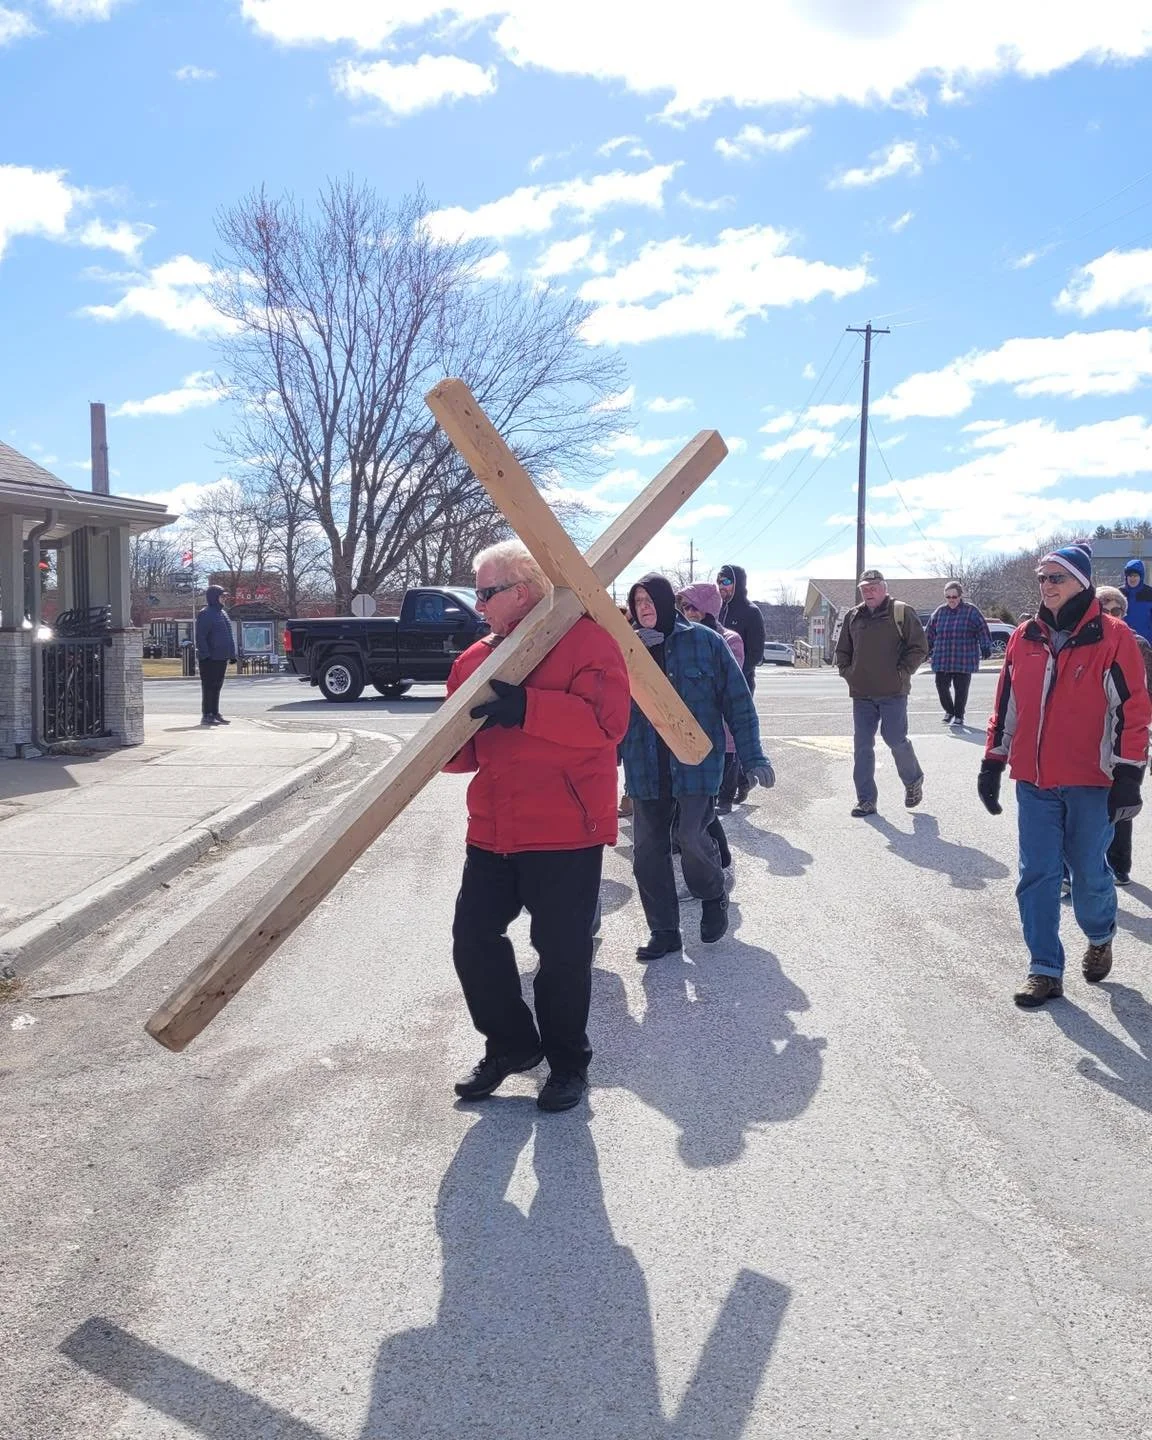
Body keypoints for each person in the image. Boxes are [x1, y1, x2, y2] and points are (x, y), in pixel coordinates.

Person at [443, 541, 630, 1112]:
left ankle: (568, 1064)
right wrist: (452, 730)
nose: (477, 605)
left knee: (563, 954)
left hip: (565, 831)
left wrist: (528, 708)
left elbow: (607, 724)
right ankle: (511, 1046)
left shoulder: (586, 640)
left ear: (521, 591)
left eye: (485, 592)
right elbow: (458, 758)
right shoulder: (477, 659)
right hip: (493, 830)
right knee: (474, 942)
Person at [978, 542, 1150, 1008]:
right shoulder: (1024, 636)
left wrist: (1130, 774)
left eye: (1056, 577)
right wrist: (994, 759)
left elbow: (1132, 710)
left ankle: (1099, 934)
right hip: (1034, 781)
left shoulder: (1115, 637)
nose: (1046, 586)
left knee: (1089, 871)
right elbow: (1007, 704)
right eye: (1042, 578)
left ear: (1081, 582)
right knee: (1037, 872)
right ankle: (1044, 968)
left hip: (1093, 781)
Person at [621, 573, 773, 959]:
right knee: (648, 853)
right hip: (646, 765)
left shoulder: (706, 643)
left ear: (666, 602)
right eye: (637, 603)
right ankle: (664, 931)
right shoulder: (626, 652)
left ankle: (712, 894)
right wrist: (628, 661)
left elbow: (737, 701)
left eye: (650, 602)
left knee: (691, 835)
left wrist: (753, 756)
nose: (644, 609)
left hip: (695, 764)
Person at [834, 569, 929, 817]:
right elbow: (843, 650)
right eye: (865, 588)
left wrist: (902, 672)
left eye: (873, 587)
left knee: (895, 739)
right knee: (862, 746)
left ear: (884, 588)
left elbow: (919, 647)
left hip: (893, 692)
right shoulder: (853, 616)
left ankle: (913, 780)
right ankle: (866, 800)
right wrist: (848, 672)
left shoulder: (901, 612)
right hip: (862, 693)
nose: (869, 592)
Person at [677, 582, 743, 848]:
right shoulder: (679, 636)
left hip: (718, 734)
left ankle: (714, 856)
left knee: (703, 804)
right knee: (695, 804)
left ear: (707, 608)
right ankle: (716, 851)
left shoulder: (728, 639)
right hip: (686, 732)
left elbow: (725, 680)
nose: (687, 612)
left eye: (693, 606)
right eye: (683, 607)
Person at [1097, 585, 1152, 885]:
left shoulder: (1139, 644)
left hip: (1129, 736)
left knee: (1122, 803)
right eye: (1102, 610)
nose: (1109, 616)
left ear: (1124, 613)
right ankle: (1085, 867)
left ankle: (1119, 865)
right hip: (1093, 737)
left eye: (1114, 610)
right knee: (1089, 804)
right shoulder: (1085, 643)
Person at [716, 564, 766, 807]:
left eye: (726, 582)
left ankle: (726, 795)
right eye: (719, 582)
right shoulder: (715, 610)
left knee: (733, 736)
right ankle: (743, 780)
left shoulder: (750, 612)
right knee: (719, 736)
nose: (721, 587)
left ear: (738, 583)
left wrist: (735, 674)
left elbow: (756, 653)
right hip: (716, 685)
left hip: (741, 683)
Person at [924, 580, 992, 727]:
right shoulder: (940, 612)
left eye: (954, 597)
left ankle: (959, 715)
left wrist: (985, 645)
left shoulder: (970, 611)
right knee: (941, 686)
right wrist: (925, 649)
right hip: (943, 657)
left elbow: (982, 628)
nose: (951, 600)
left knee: (961, 689)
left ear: (960, 596)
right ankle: (949, 711)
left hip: (964, 657)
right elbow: (929, 632)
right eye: (948, 597)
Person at [194, 584, 237, 727]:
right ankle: (207, 714)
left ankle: (215, 712)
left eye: (225, 596)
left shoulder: (223, 613)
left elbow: (228, 636)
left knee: (217, 686)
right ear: (214, 597)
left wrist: (231, 654)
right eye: (222, 596)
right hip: (210, 658)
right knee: (209, 686)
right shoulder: (205, 613)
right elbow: (201, 637)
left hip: (221, 657)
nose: (224, 599)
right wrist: (205, 655)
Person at [1122, 558, 1152, 645]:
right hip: (1123, 641)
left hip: (1146, 641)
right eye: (1130, 576)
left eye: (1135, 576)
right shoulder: (1119, 593)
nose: (1132, 578)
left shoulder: (1149, 593)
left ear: (1141, 577)